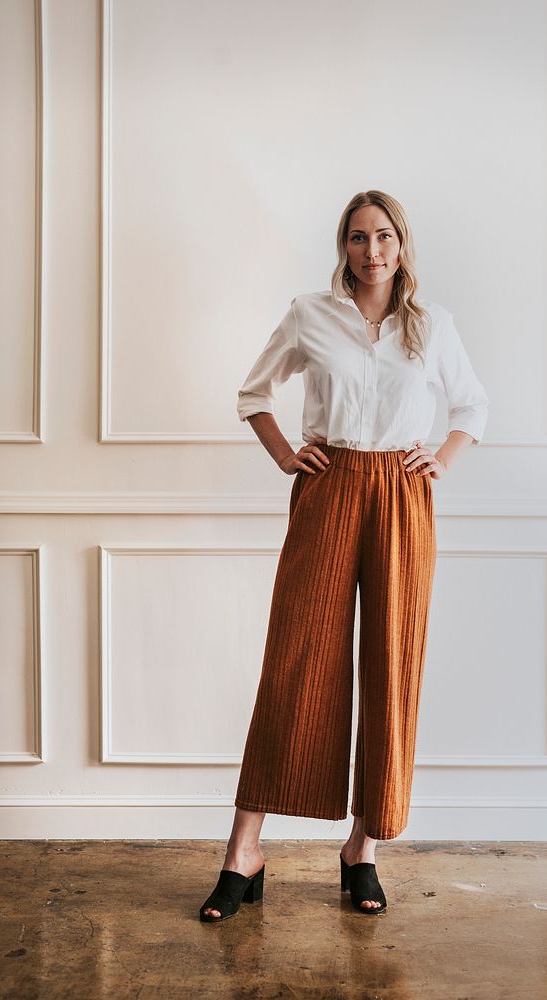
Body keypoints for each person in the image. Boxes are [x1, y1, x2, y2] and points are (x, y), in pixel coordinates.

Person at [199, 189, 489, 922]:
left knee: (391, 663)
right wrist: (285, 454)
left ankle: (362, 848)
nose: (373, 250)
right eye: (358, 238)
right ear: (344, 247)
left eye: (384, 236)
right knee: (296, 660)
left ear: (402, 244)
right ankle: (243, 850)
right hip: (327, 488)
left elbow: (472, 406)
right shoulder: (310, 315)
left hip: (400, 492)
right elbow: (252, 393)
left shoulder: (431, 325)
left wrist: (441, 461)